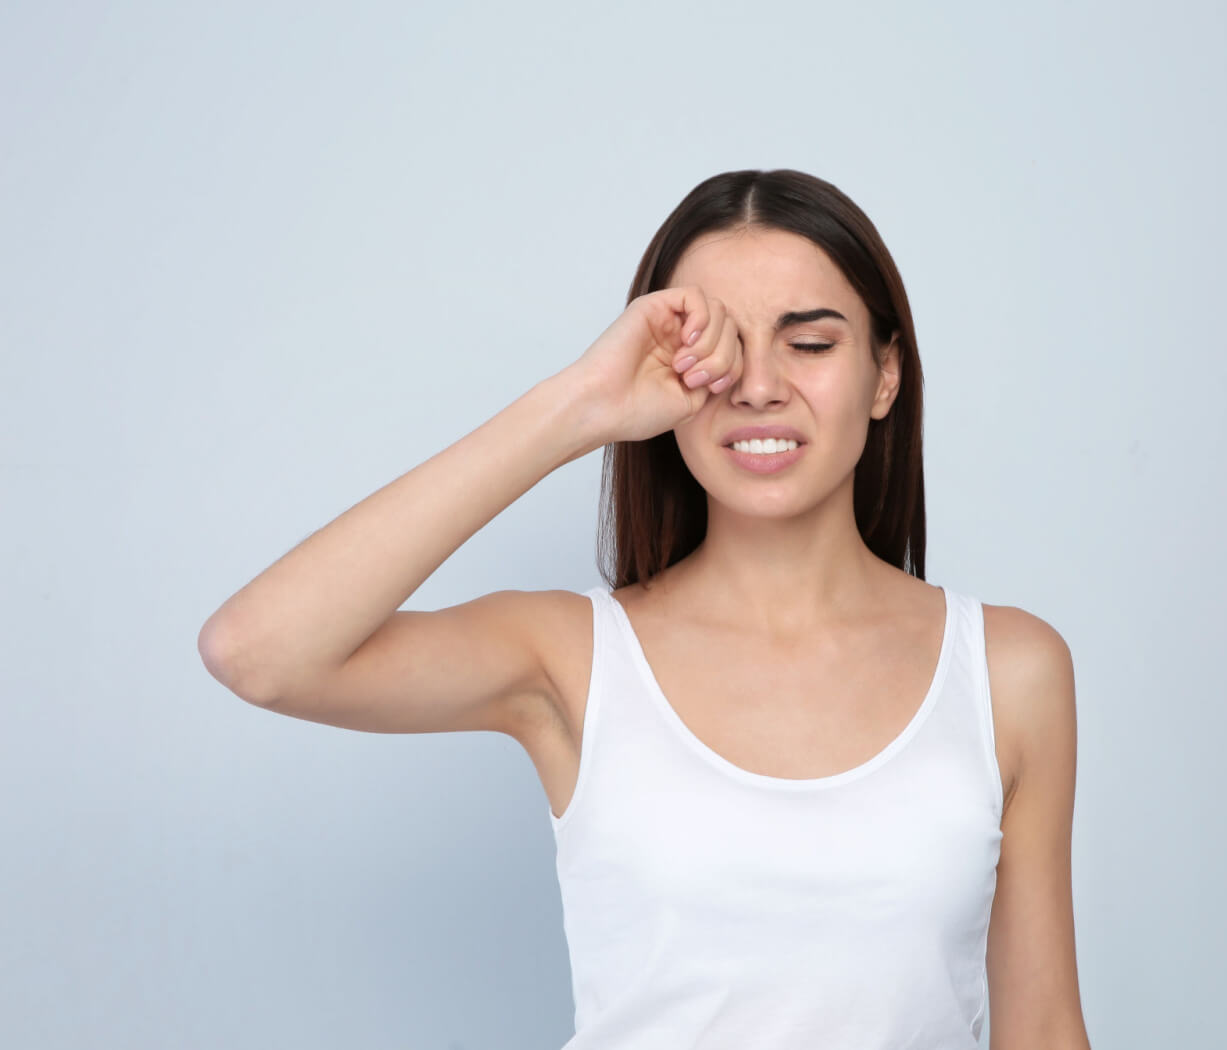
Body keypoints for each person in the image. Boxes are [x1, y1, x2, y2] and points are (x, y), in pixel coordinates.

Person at [198, 168, 1090, 1048]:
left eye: (809, 344)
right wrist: (580, 404)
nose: (757, 387)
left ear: (884, 376)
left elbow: (1044, 1030)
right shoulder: (572, 659)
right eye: (720, 351)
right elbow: (257, 651)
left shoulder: (1008, 671)